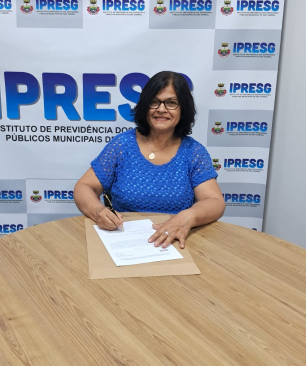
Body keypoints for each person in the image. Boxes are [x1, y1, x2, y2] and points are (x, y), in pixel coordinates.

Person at [74, 71, 225, 249]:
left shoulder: (194, 152)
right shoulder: (122, 145)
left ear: (183, 109)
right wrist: (98, 211)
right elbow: (84, 186)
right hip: (123, 243)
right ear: (145, 106)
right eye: (154, 102)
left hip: (174, 244)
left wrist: (188, 216)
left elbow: (214, 201)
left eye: (171, 103)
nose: (161, 109)